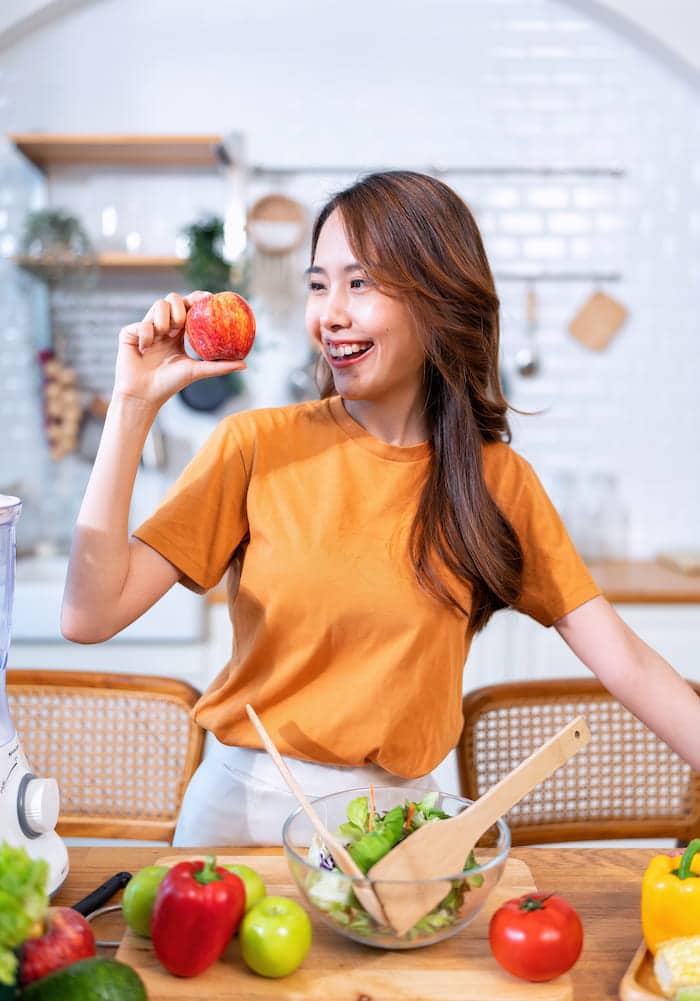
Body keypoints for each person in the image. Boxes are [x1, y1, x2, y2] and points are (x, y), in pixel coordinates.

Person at [62, 170, 700, 847]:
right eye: (318, 284)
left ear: (440, 299)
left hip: (402, 831)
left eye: (359, 283)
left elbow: (626, 663)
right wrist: (132, 406)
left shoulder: (496, 481)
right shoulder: (254, 445)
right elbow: (89, 615)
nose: (329, 314)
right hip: (245, 818)